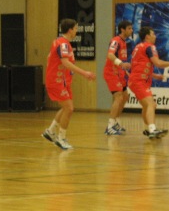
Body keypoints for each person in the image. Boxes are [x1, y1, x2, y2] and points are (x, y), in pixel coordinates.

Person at [42, 18, 96, 150]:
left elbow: (52, 59)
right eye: (76, 28)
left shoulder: (61, 42)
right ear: (70, 30)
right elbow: (65, 63)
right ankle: (61, 139)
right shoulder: (63, 44)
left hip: (62, 81)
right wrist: (85, 73)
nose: (77, 30)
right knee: (69, 108)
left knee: (66, 107)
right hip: (56, 81)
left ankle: (50, 131)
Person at [129, 26, 169, 139]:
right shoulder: (150, 47)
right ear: (147, 36)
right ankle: (152, 129)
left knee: (147, 105)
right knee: (150, 104)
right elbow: (158, 63)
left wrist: (154, 75)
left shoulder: (138, 47)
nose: (155, 36)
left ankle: (148, 129)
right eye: (153, 34)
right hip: (139, 81)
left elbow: (138, 66)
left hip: (136, 80)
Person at [103, 20, 133, 135]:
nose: (131, 30)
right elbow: (110, 55)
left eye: (131, 28)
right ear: (122, 29)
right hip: (111, 73)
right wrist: (121, 64)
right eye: (129, 28)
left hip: (120, 73)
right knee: (119, 96)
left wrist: (126, 72)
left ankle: (116, 122)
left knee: (125, 96)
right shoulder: (116, 41)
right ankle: (110, 126)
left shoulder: (124, 42)